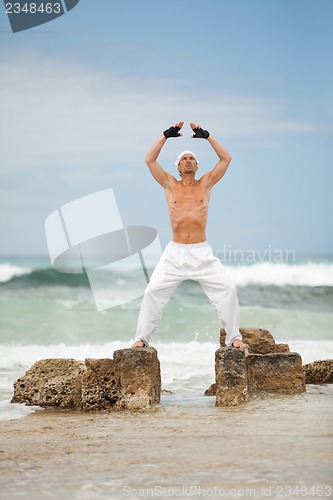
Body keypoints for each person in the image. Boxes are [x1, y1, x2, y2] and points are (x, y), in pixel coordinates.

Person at [131, 121, 245, 349]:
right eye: (184, 159)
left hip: (202, 251)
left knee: (228, 290)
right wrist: (165, 136)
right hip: (175, 252)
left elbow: (226, 159)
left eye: (192, 158)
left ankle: (235, 338)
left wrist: (207, 136)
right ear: (178, 167)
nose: (188, 161)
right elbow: (149, 160)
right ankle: (141, 339)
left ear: (197, 165)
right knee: (153, 291)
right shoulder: (170, 185)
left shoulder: (206, 184)